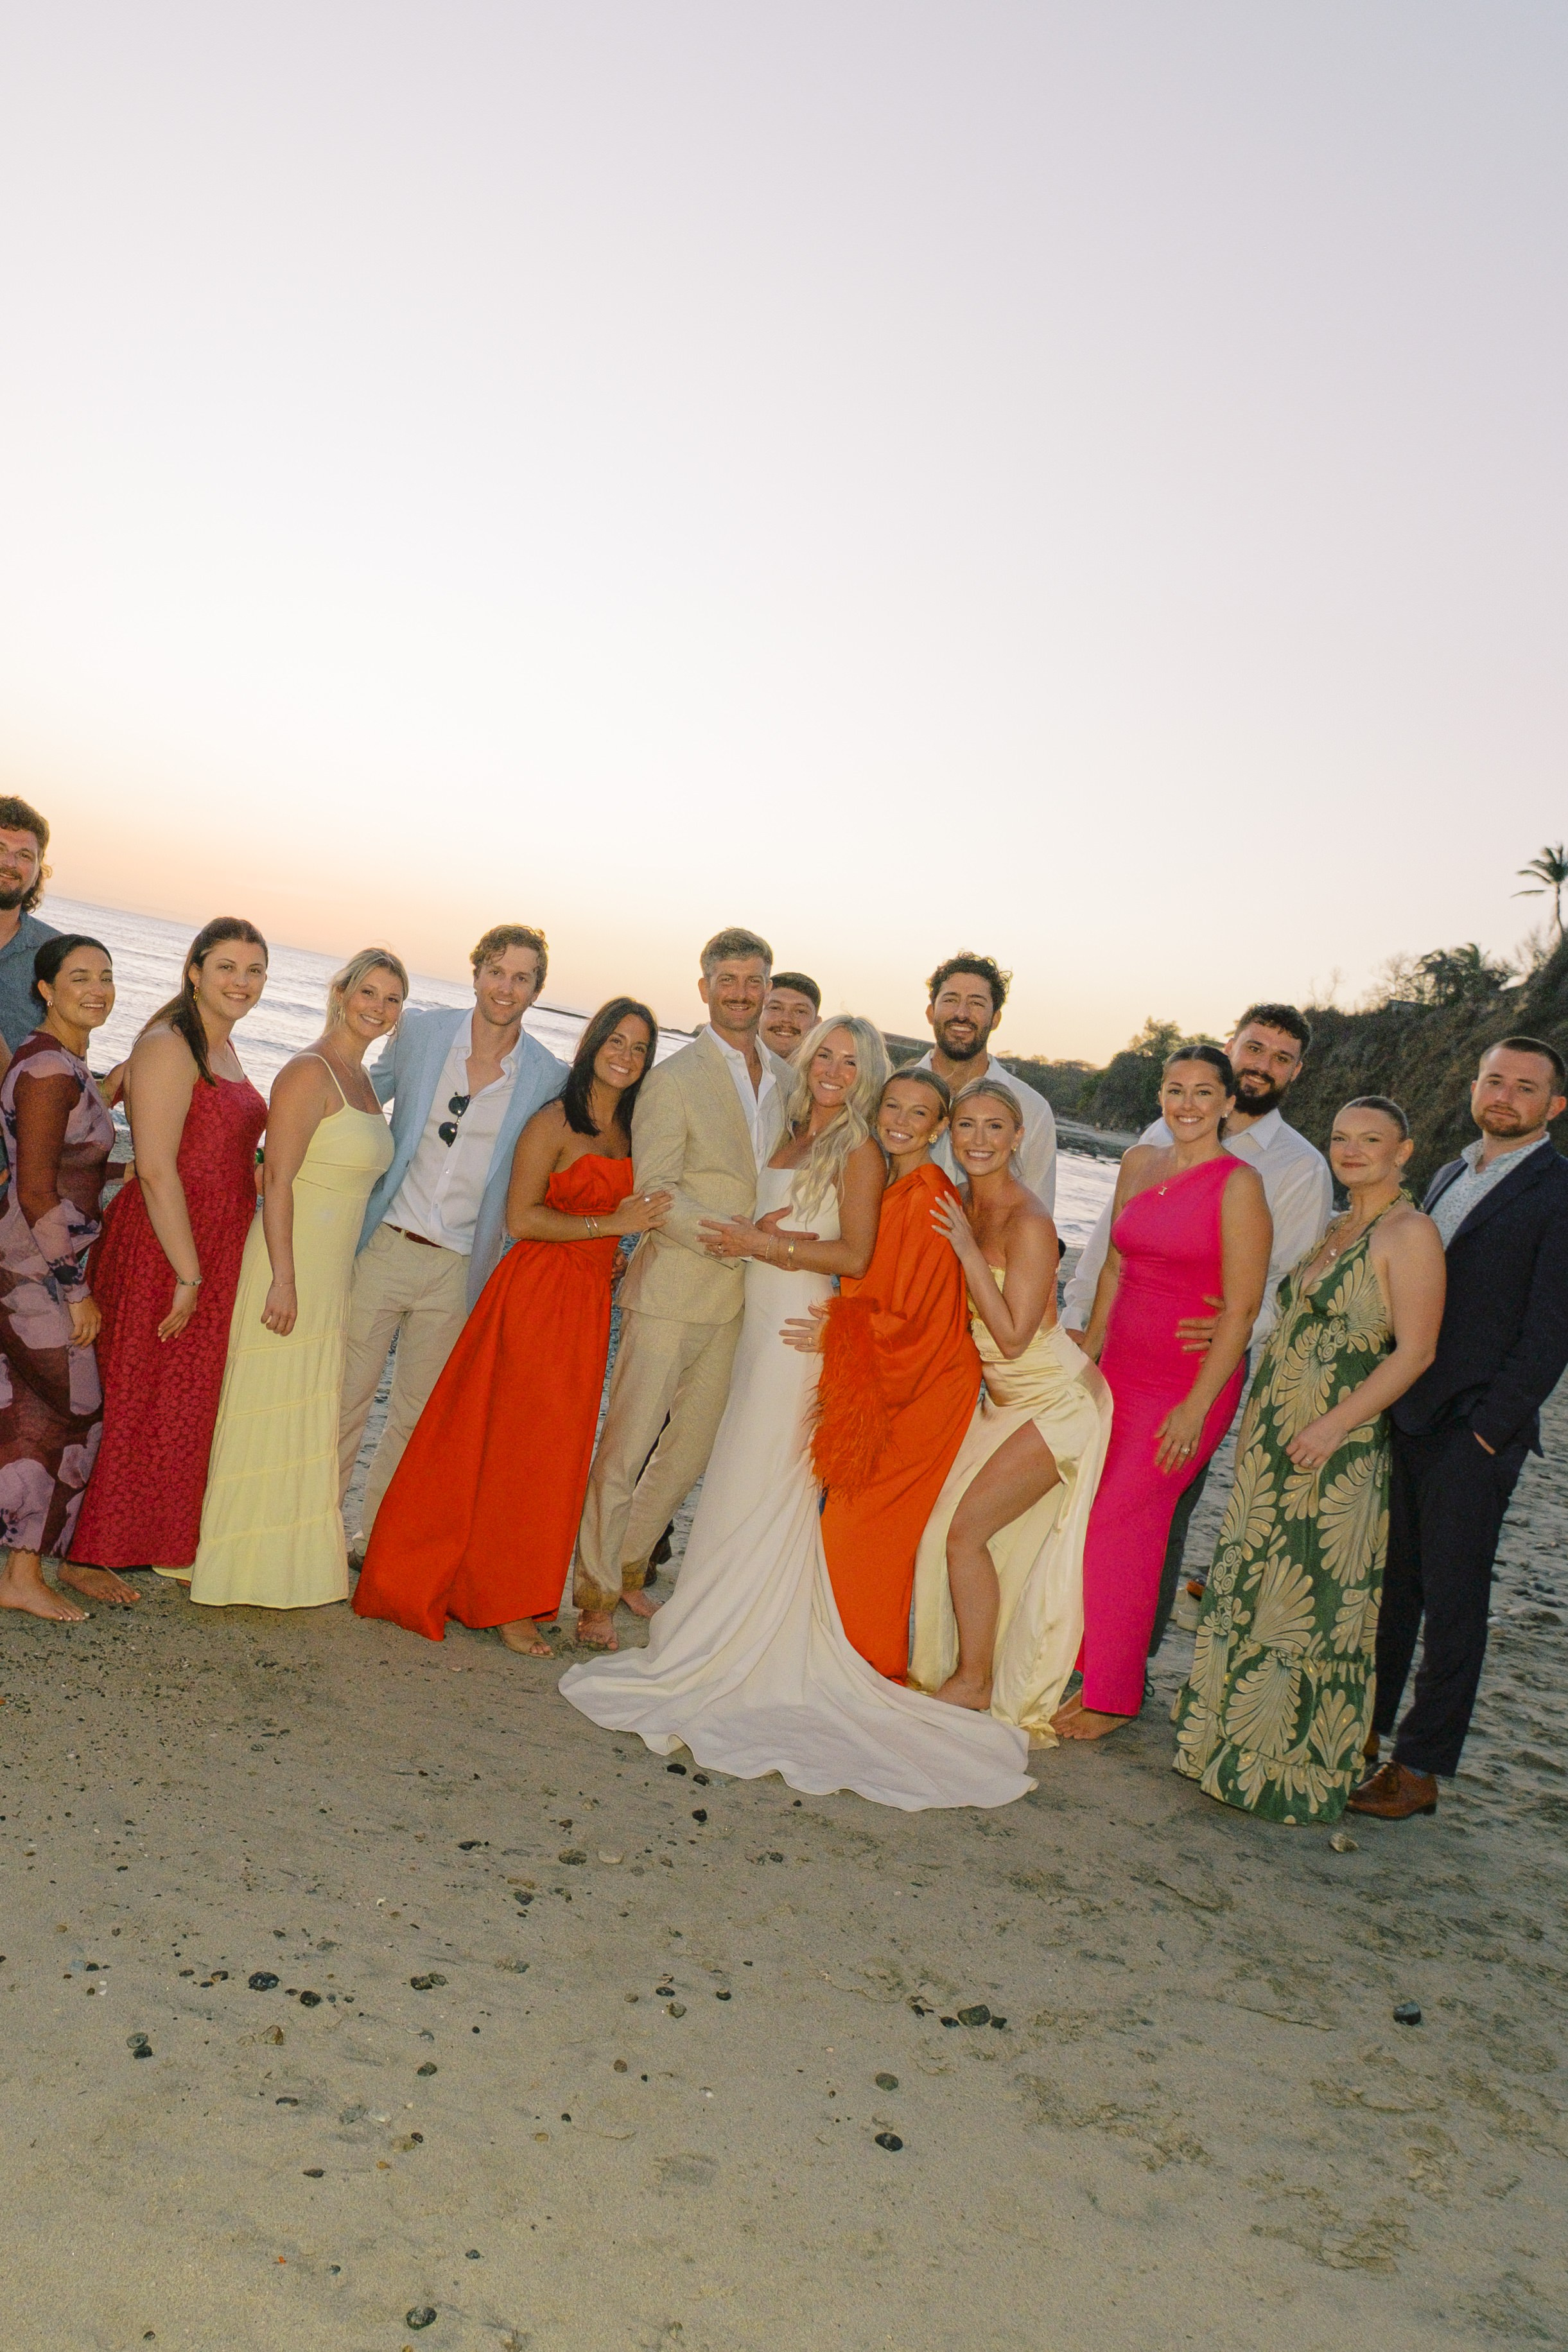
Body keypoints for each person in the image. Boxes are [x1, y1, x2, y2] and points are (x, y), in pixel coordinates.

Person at [560, 1018, 1034, 1809]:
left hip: (796, 1335)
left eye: (853, 1063)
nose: (834, 1071)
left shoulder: (857, 1151)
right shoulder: (788, 1130)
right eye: (826, 1056)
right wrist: (760, 1233)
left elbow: (852, 1256)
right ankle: (713, 1622)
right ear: (807, 1061)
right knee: (739, 1476)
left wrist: (761, 1244)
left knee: (759, 1477)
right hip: (758, 1322)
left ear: (869, 1077)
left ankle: (741, 1641)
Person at [353, 1000, 671, 1650]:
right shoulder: (553, 1120)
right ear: (591, 1043)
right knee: (517, 1452)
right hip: (535, 1296)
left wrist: (615, 1252)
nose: (626, 1055)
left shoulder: (638, 1133)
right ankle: (503, 1606)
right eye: (615, 1039)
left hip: (587, 1305)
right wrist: (610, 1227)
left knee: (555, 1457)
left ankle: (514, 1592)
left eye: (640, 1047)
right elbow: (521, 1221)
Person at [1173, 1098, 1445, 1822]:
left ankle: (1285, 1772)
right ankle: (1221, 1749)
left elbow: (1416, 1353)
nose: (1351, 1151)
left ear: (1404, 1151)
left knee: (1307, 1604)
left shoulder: (1409, 1232)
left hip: (1336, 1447)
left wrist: (1334, 1426)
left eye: (1372, 1140)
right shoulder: (1336, 1225)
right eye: (1341, 1138)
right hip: (1274, 1440)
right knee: (1255, 1586)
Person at [1062, 1002, 1332, 1651]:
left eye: (1281, 1057)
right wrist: (1078, 1326)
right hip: (1115, 1350)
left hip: (1190, 1368)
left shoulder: (1298, 1169)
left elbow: (1290, 1282)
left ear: (1296, 1072)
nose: (1263, 1064)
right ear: (1230, 1049)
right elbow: (1106, 1247)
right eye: (1255, 1048)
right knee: (1088, 1501)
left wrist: (1236, 1327)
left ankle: (1127, 1657)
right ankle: (1070, 1641)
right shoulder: (1162, 1135)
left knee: (1158, 1516)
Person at [1352, 1038, 1568, 1822]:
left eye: (1526, 1087)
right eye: (1495, 1080)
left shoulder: (1556, 1191)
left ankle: (1420, 1769)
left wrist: (1488, 1431)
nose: (1506, 1096)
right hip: (1408, 1411)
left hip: (1474, 1431)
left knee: (1454, 1604)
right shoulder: (1448, 1173)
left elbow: (1550, 1333)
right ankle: (1366, 1734)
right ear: (1475, 1088)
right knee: (1392, 1591)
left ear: (1555, 1106)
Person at [571, 928, 793, 1647]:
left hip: (745, 1302)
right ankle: (594, 1593)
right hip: (673, 1286)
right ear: (704, 988)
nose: (740, 993)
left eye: (753, 980)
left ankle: (630, 1568)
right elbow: (657, 1191)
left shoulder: (788, 1082)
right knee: (627, 1445)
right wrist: (735, 1239)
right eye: (726, 980)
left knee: (689, 1453)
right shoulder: (672, 1078)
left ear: (768, 986)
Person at [1059, 1045, 1271, 1739]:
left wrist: (1196, 1407)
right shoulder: (1137, 1165)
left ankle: (1111, 1697)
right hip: (1118, 1367)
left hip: (1187, 1385)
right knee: (1093, 1512)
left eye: (1203, 1092)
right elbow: (1117, 1264)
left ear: (1227, 1104)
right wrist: (1089, 1347)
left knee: (1127, 1521)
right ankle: (1090, 1665)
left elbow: (1240, 1309)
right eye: (1175, 1089)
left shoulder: (1238, 1184)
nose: (1187, 1104)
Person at [338, 925, 567, 1547]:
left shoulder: (548, 1074)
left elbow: (569, 1155)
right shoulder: (420, 1033)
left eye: (521, 978)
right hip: (386, 1241)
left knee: (414, 1417)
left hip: (460, 1266)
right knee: (343, 1403)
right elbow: (356, 1090)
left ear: (536, 991)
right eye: (497, 971)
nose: (505, 987)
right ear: (476, 973)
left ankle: (375, 1542)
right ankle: (314, 1535)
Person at [188, 952, 405, 1607]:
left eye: (392, 999)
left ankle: (279, 1563)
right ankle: (235, 1560)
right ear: (339, 992)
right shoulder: (309, 1072)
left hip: (332, 1273)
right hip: (288, 1267)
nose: (378, 1006)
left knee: (307, 1410)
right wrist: (283, 1279)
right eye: (368, 991)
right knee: (267, 1406)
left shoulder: (362, 1081)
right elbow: (275, 1181)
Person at [68, 919, 270, 1580]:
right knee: (130, 1394)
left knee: (175, 1402)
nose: (241, 983)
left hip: (213, 1242)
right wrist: (188, 1274)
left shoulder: (226, 1048)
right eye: (227, 968)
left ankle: (141, 1539)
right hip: (165, 1245)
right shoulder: (168, 1044)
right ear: (194, 971)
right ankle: (86, 1550)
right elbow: (154, 1168)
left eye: (254, 971)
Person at [909, 1079, 1113, 1730]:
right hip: (1001, 1401)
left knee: (965, 1533)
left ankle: (975, 1682)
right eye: (965, 1125)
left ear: (1018, 1136)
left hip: (1055, 1400)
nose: (978, 1140)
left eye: (994, 1127)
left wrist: (968, 1253)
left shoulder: (1030, 1220)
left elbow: (1013, 1333)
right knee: (945, 1528)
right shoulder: (962, 1200)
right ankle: (960, 1665)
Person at [811, 1068, 982, 1680]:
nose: (900, 1123)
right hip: (888, 1379)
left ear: (939, 1127)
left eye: (919, 1114)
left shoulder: (933, 1195)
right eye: (892, 1107)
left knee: (862, 1529)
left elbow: (917, 1321)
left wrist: (838, 1329)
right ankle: (850, 1655)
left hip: (925, 1385)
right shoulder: (892, 1181)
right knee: (855, 1525)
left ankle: (867, 1664)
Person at [0, 937, 117, 1622]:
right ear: (46, 988)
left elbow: (70, 1169)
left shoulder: (66, 1062)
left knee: (35, 1412)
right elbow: (39, 1193)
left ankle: (20, 1576)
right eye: (80, 978)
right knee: (78, 1408)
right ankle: (26, 1570)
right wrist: (77, 1291)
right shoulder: (50, 1070)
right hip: (33, 1273)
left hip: (28, 1266)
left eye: (106, 976)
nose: (97, 988)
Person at [913, 954, 1057, 1212]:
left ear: (995, 1019)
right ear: (931, 1012)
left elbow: (1038, 1213)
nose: (962, 1013)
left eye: (977, 1003)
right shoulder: (892, 1095)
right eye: (951, 1000)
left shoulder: (1032, 1109)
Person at [0, 794, 60, 1063]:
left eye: (24, 855)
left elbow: (69, 1061)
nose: (9, 864)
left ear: (38, 871)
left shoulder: (56, 955)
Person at [758, 971, 821, 1061]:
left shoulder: (828, 1073)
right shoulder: (733, 1071)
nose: (786, 1019)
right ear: (756, 1017)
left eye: (800, 1011)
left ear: (816, 1025)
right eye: (776, 1008)